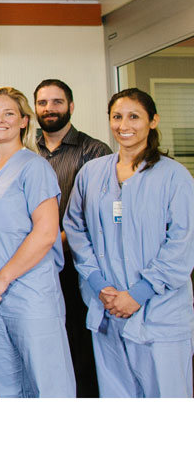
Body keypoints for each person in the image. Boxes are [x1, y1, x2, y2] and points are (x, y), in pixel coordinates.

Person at [65, 88, 194, 397]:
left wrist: (139, 293)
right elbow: (76, 229)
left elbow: (182, 243)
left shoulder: (174, 177)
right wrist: (98, 284)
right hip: (106, 309)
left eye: (134, 117)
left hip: (159, 314)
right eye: (117, 117)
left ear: (153, 121)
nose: (125, 125)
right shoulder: (92, 173)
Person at [0, 86, 75, 398]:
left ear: (24, 121)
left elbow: (46, 233)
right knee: (8, 384)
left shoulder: (34, 167)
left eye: (8, 113)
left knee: (48, 384)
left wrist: (2, 278)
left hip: (30, 294)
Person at [33, 78, 111, 397]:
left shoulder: (94, 152)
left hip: (75, 266)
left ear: (71, 107)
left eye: (57, 102)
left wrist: (49, 240)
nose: (49, 109)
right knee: (48, 346)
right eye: (42, 103)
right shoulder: (26, 151)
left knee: (80, 345)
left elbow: (93, 216)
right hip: (35, 266)